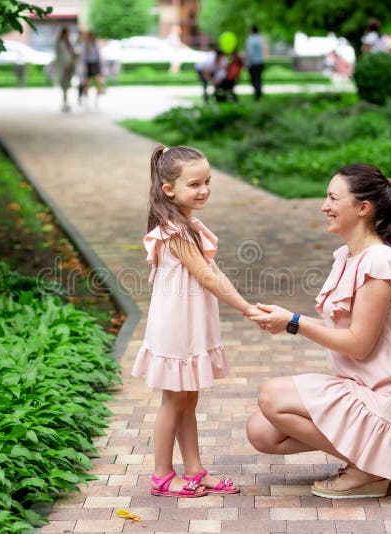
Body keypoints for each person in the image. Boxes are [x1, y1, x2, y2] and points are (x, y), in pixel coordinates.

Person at [246, 163, 391, 499]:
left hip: (385, 399)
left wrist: (294, 322)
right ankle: (369, 462)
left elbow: (358, 344)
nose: (324, 206)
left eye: (333, 198)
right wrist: (286, 320)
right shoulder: (349, 256)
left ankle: (370, 468)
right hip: (358, 388)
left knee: (272, 395)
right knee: (262, 432)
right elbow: (347, 333)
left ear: (363, 208)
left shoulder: (380, 262)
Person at [132, 145, 260, 498]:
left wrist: (246, 305)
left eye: (207, 182)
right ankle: (161, 475)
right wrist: (246, 308)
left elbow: (213, 272)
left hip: (190, 327)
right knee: (174, 403)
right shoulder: (175, 231)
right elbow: (208, 277)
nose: (203, 190)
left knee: (188, 400)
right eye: (195, 184)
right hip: (176, 331)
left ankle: (194, 469)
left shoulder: (187, 225)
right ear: (168, 189)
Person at [53, 27, 77, 112]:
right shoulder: (59, 43)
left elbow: (72, 54)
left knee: (67, 84)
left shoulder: (69, 43)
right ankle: (65, 102)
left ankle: (66, 102)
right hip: (62, 67)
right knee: (63, 85)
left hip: (69, 66)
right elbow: (58, 56)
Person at [78, 32, 103, 105]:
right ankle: (86, 97)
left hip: (95, 64)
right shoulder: (85, 45)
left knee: (98, 82)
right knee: (87, 82)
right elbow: (82, 56)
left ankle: (97, 98)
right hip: (88, 64)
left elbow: (99, 56)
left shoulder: (95, 45)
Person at [245, 24, 266, 101]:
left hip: (253, 63)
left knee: (254, 79)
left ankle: (257, 95)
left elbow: (250, 53)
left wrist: (247, 63)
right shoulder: (260, 39)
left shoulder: (250, 39)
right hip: (260, 62)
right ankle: (259, 94)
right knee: (259, 79)